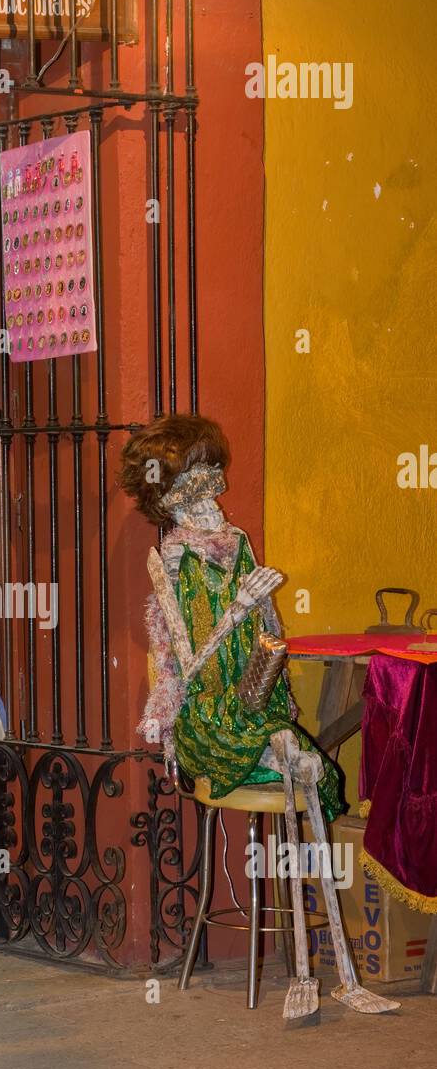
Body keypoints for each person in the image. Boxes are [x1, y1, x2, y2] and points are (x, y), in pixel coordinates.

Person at [119, 414, 397, 1021]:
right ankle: (309, 972)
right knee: (293, 760)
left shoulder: (239, 544)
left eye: (209, 468)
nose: (209, 486)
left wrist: (266, 623)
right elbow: (184, 671)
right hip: (206, 720)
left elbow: (270, 635)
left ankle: (331, 974)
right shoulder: (168, 562)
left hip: (252, 707)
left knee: (302, 763)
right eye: (193, 474)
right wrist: (237, 607)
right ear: (168, 492)